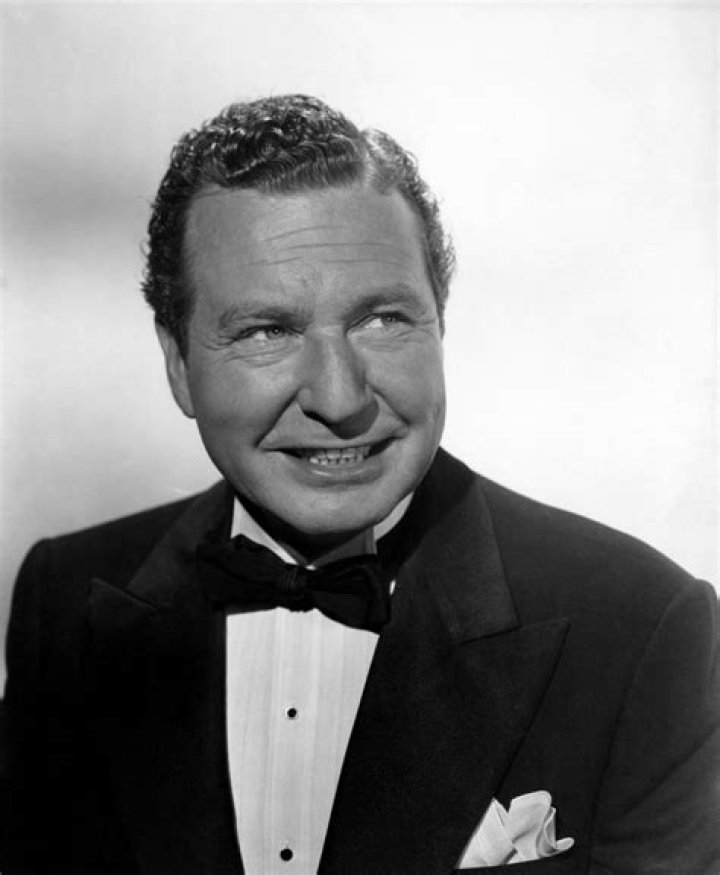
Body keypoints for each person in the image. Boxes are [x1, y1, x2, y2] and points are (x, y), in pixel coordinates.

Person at [2, 94, 717, 875]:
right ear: (178, 363)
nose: (339, 399)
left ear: (440, 322)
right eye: (267, 330)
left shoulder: (645, 629)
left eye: (382, 319)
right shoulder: (65, 603)